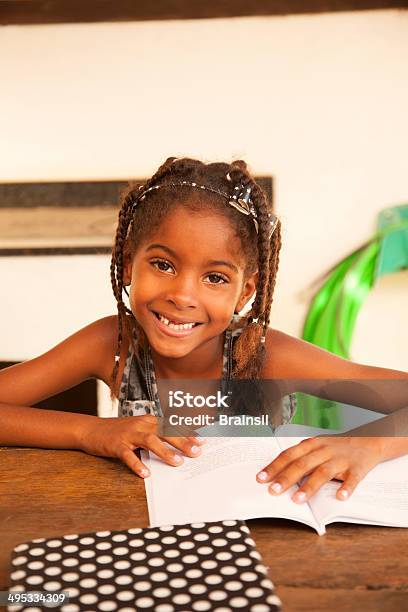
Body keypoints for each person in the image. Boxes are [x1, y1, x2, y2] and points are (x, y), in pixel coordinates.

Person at [0, 157, 407, 507]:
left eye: (214, 277)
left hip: (261, 536)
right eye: (163, 265)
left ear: (245, 292)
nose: (182, 295)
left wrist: (368, 444)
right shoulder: (114, 344)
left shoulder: (264, 354)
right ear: (128, 264)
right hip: (142, 527)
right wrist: (89, 430)